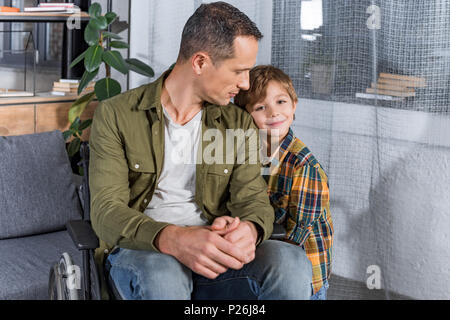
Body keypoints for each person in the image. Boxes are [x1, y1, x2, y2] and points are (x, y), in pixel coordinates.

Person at [89, 2, 312, 300]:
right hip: (144, 253)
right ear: (200, 63)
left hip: (215, 249)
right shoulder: (117, 114)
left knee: (291, 262)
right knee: (164, 277)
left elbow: (253, 199)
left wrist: (251, 230)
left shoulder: (238, 123)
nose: (245, 83)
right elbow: (106, 211)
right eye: (239, 71)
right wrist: (174, 238)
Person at [234, 65, 334, 300]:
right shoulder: (248, 154)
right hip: (268, 266)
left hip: (304, 278)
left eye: (281, 102)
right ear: (244, 115)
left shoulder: (303, 165)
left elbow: (296, 237)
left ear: (294, 105)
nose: (273, 113)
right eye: (261, 107)